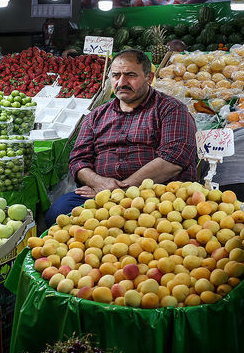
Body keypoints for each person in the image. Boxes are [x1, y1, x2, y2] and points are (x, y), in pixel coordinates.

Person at [45, 49, 197, 226]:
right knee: (57, 214)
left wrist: (121, 188)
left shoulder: (171, 109)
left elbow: (173, 160)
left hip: (157, 195)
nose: (122, 82)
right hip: (100, 194)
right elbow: (78, 161)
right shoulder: (96, 116)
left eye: (130, 75)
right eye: (116, 75)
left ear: (149, 78)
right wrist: (99, 183)